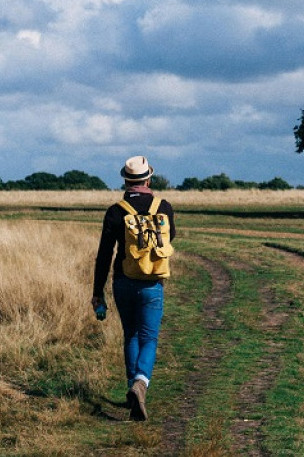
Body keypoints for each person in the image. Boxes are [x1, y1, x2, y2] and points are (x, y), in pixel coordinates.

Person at [92, 155, 176, 421]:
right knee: (149, 337)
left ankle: (133, 388)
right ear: (148, 179)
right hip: (152, 282)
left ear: (126, 181)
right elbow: (169, 238)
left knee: (131, 335)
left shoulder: (115, 211)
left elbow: (104, 255)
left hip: (123, 281)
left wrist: (97, 292)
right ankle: (141, 383)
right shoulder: (164, 207)